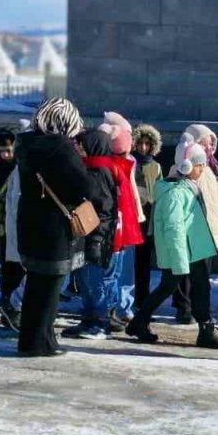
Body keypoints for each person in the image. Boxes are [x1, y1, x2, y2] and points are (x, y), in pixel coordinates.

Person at [128, 134, 218, 349]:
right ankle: (140, 321)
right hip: (182, 253)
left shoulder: (188, 187)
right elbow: (174, 229)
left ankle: (205, 329)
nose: (202, 168)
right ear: (186, 165)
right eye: (199, 164)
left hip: (194, 251)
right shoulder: (175, 193)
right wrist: (179, 259)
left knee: (199, 289)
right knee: (168, 287)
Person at [14, 97, 93, 358]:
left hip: (31, 222)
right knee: (49, 290)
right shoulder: (61, 147)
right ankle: (41, 342)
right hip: (55, 229)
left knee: (36, 287)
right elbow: (82, 186)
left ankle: (33, 340)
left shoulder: (26, 144)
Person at [166, 124, 218, 325]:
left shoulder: (211, 169)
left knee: (202, 274)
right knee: (185, 272)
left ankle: (198, 308)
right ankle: (184, 308)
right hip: (192, 228)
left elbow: (217, 198)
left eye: (211, 143)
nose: (209, 147)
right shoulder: (182, 167)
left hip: (210, 229)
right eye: (204, 143)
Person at [63, 130, 120, 340]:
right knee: (85, 280)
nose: (78, 148)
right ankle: (88, 320)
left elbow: (104, 209)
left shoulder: (99, 171)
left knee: (93, 281)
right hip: (86, 235)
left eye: (82, 145)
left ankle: (100, 323)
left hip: (95, 236)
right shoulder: (91, 168)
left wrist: (97, 237)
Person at [97, 112, 144, 329]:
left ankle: (122, 306)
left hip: (127, 219)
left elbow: (131, 191)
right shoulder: (110, 164)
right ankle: (111, 307)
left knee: (123, 268)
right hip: (117, 222)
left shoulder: (128, 161)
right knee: (113, 269)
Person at [0, 127, 23, 329]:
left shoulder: (20, 167)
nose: (7, 155)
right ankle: (7, 300)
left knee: (19, 268)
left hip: (18, 226)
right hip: (5, 227)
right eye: (3, 151)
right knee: (8, 268)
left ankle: (15, 304)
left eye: (9, 150)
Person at [131, 124, 162, 309]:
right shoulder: (131, 163)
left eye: (147, 144)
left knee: (144, 260)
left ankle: (142, 298)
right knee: (131, 261)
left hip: (150, 218)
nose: (143, 147)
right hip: (133, 216)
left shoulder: (155, 166)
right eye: (140, 143)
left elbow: (159, 190)